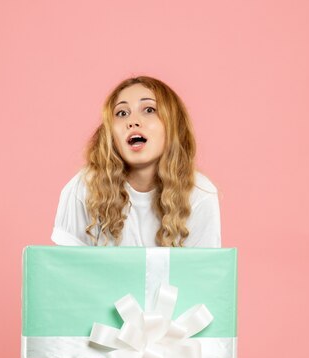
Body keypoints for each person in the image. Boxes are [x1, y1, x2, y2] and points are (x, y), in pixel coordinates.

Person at [51, 76, 221, 247]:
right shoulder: (84, 188)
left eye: (149, 110)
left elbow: (202, 272)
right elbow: (66, 269)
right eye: (122, 113)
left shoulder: (200, 194)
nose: (132, 122)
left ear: (174, 125)